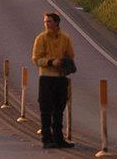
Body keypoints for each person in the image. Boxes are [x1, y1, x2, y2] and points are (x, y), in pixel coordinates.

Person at [31, 12, 75, 149]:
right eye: (45, 22)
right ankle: (46, 138)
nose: (47, 24)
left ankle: (58, 138)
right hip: (46, 77)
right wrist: (51, 62)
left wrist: (65, 63)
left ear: (57, 23)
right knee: (46, 109)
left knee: (59, 109)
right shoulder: (41, 39)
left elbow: (71, 55)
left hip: (61, 78)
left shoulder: (65, 38)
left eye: (49, 21)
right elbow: (36, 59)